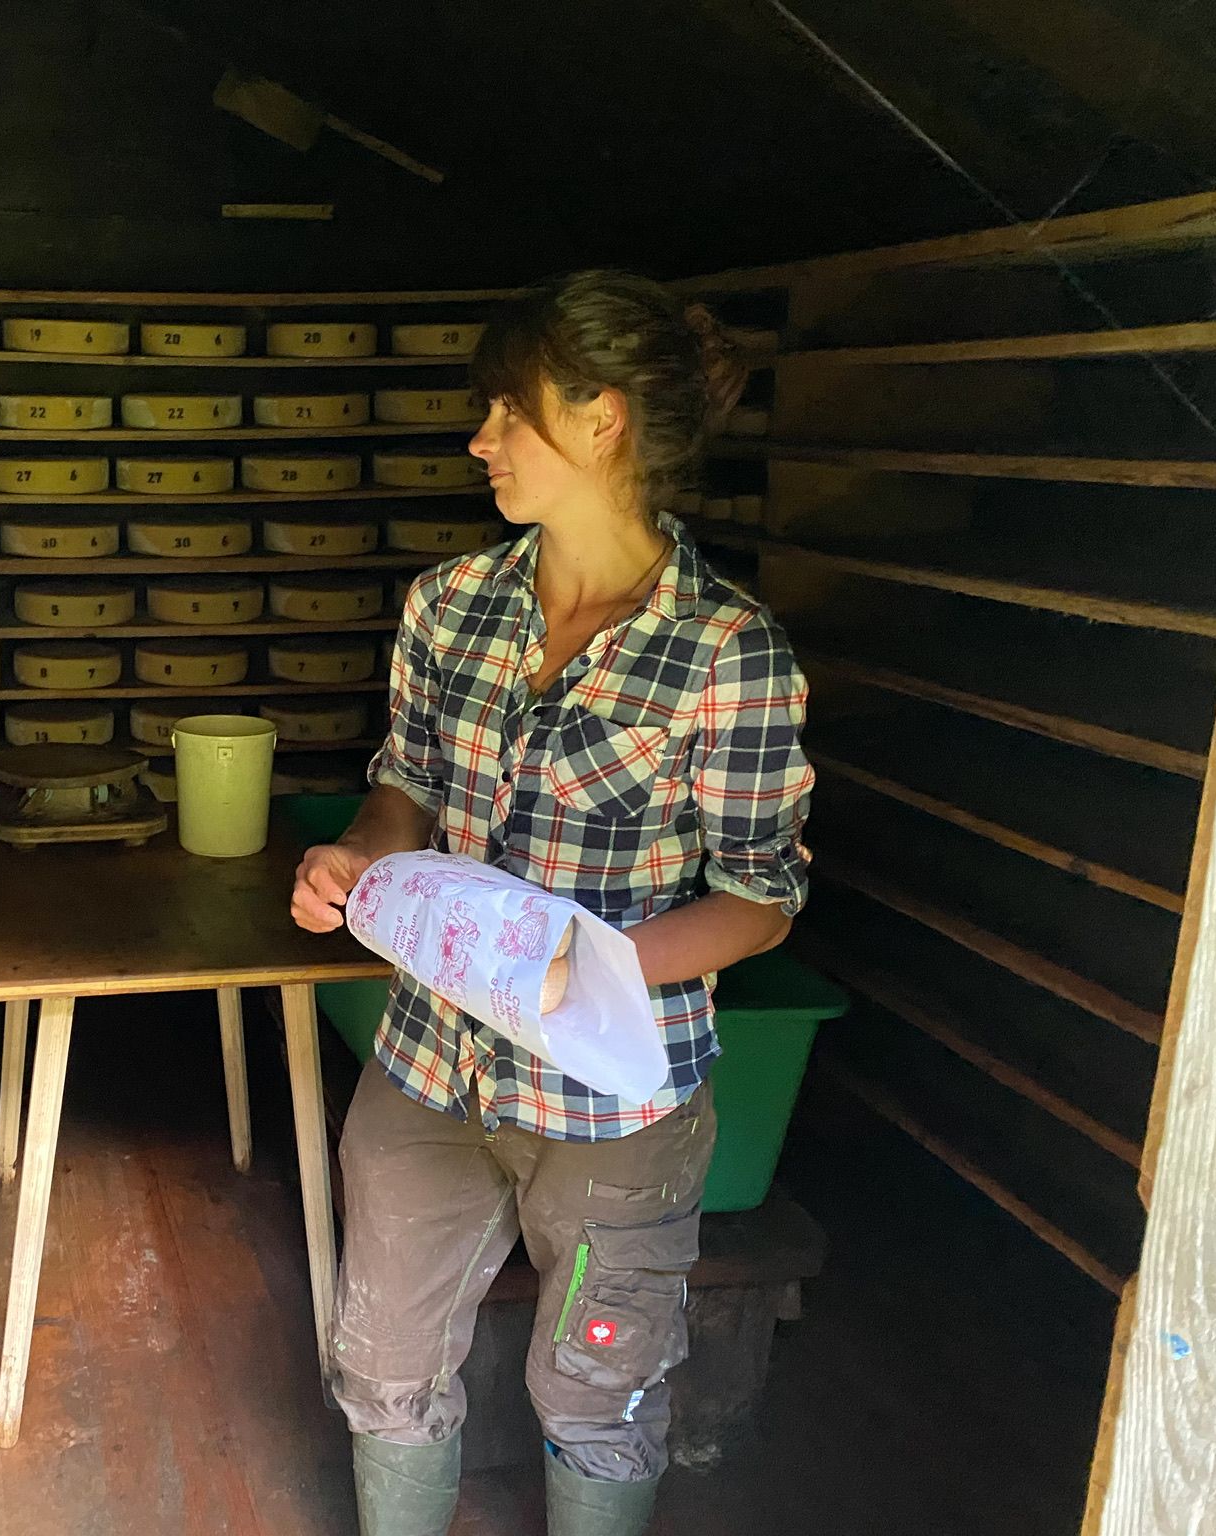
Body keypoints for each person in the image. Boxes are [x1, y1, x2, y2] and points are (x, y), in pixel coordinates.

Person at [291, 272, 812, 1536]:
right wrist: (358, 855)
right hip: (426, 1068)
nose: (478, 440)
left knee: (599, 1390)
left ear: (599, 420)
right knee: (380, 1367)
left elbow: (760, 898)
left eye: (502, 412)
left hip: (611, 1102)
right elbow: (404, 784)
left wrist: (597, 968)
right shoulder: (450, 607)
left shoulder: (727, 654)